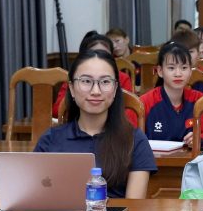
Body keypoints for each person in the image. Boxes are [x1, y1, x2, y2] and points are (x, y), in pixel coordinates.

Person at [34, 49, 156, 199]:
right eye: (86, 81)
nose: (96, 91)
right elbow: (36, 197)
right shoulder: (50, 140)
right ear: (72, 88)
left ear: (115, 88)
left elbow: (134, 206)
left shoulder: (135, 140)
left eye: (105, 82)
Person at [141, 41, 203, 149]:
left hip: (190, 158)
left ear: (190, 71)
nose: (178, 74)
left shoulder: (198, 99)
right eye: (171, 68)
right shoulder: (145, 102)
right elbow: (131, 135)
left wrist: (199, 139)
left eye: (184, 68)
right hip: (154, 159)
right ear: (160, 71)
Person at [52, 33, 133, 118]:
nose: (98, 59)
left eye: (104, 55)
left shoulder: (122, 78)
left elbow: (129, 114)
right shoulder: (75, 78)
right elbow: (57, 111)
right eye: (87, 81)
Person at [170, 29, 203, 93]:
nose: (186, 56)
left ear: (198, 54)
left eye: (190, 52)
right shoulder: (167, 76)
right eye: (181, 51)